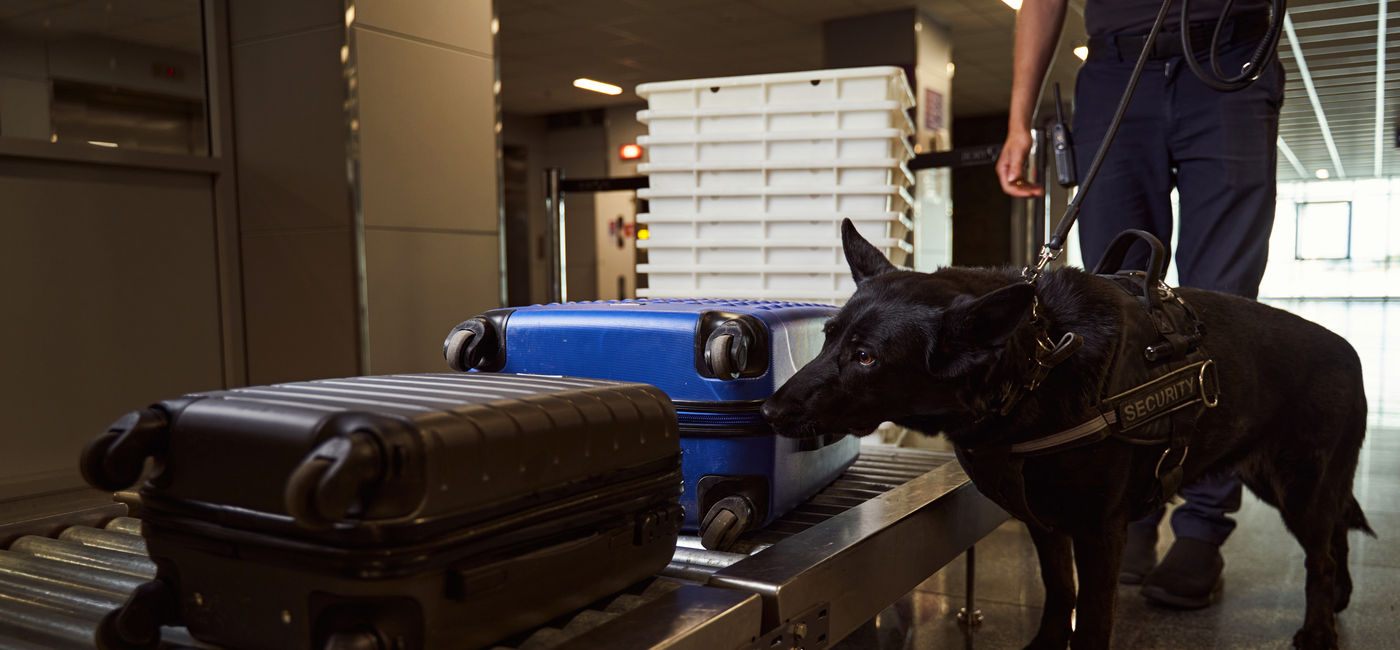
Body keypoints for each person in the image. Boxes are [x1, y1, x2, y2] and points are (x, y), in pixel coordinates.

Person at [995, 0, 1284, 609]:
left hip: (1230, 60)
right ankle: (1129, 505)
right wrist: (1019, 119)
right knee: (1118, 306)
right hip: (1114, 73)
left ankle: (1202, 527)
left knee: (1222, 302)